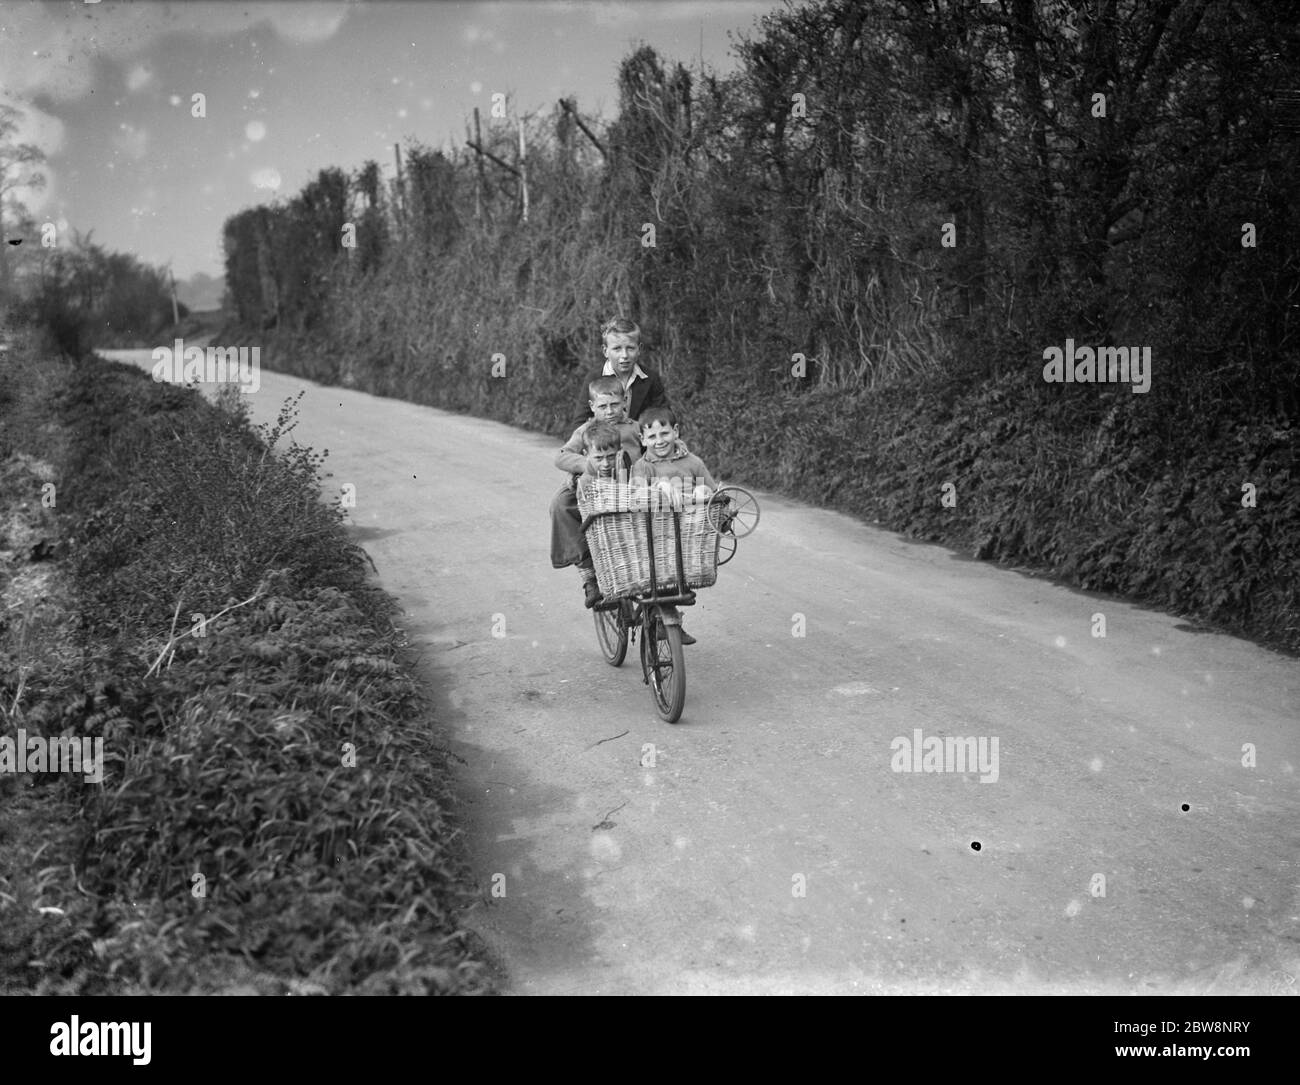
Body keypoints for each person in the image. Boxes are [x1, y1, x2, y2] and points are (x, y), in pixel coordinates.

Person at [628, 406, 719, 646]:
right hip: (653, 537)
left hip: (688, 537)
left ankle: (670, 620)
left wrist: (705, 492)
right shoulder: (643, 466)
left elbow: (715, 493)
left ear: (676, 432)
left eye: (665, 433)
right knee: (655, 573)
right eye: (652, 436)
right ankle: (663, 620)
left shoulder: (693, 462)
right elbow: (634, 497)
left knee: (680, 572)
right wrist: (658, 487)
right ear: (642, 439)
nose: (659, 441)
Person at [550, 379, 642, 608]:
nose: (609, 411)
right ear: (592, 406)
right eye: (602, 406)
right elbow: (561, 456)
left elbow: (656, 447)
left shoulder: (635, 427)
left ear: (625, 402)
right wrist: (588, 465)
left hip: (630, 484)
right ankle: (589, 574)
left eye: (614, 404)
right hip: (594, 482)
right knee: (560, 504)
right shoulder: (586, 430)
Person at [571, 317, 673, 432]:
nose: (624, 355)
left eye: (630, 348)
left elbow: (664, 418)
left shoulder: (650, 379)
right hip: (604, 446)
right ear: (605, 351)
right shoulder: (595, 378)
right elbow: (579, 423)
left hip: (639, 445)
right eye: (617, 349)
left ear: (639, 349)